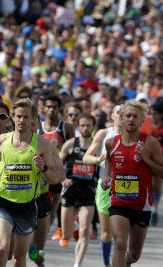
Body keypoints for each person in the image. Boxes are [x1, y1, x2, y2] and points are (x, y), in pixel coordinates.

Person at [0, 98, 59, 267]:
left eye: (26, 117)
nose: (22, 120)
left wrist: (44, 167)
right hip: (3, 203)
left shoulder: (42, 144)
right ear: (12, 117)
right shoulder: (1, 141)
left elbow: (54, 178)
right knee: (2, 249)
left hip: (27, 206)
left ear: (33, 118)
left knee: (18, 257)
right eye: (18, 116)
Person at [101, 99, 163, 267]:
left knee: (134, 255)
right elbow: (109, 160)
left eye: (135, 116)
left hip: (141, 205)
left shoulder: (150, 143)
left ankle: (125, 263)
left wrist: (145, 158)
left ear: (142, 120)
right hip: (118, 202)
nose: (131, 119)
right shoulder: (111, 143)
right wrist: (106, 178)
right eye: (128, 116)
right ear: (121, 119)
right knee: (120, 244)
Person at [83, 105, 121, 267]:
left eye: (125, 113)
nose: (121, 116)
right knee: (107, 231)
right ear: (112, 115)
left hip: (126, 187)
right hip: (104, 186)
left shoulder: (133, 136)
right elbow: (86, 157)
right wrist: (99, 159)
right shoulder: (104, 133)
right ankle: (107, 264)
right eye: (118, 112)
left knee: (120, 235)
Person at [58, 113, 97, 266]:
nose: (85, 128)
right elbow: (57, 164)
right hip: (70, 191)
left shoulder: (97, 146)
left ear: (93, 127)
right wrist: (62, 180)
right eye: (82, 125)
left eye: (88, 125)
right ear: (78, 127)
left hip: (88, 192)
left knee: (85, 230)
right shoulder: (70, 144)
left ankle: (77, 264)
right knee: (66, 234)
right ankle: (71, 226)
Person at [39, 95, 75, 245]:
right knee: (38, 208)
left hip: (59, 174)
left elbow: (75, 151)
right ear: (44, 108)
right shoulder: (37, 127)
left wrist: (60, 145)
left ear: (59, 108)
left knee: (52, 211)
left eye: (54, 107)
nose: (51, 110)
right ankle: (38, 235)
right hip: (41, 174)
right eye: (48, 106)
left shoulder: (66, 127)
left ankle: (42, 238)